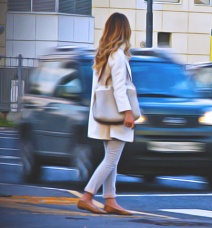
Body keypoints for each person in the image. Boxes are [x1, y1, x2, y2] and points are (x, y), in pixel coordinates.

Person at [77, 12, 135, 215]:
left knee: (111, 158)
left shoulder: (102, 54)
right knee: (111, 158)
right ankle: (87, 196)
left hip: (104, 114)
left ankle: (110, 199)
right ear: (124, 31)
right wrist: (128, 112)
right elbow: (119, 88)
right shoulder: (117, 56)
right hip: (117, 115)